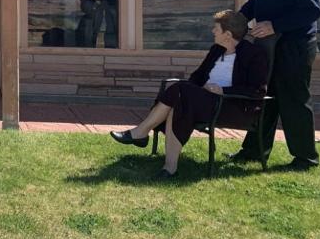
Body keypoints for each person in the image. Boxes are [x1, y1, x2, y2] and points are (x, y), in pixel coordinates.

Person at [110, 10, 268, 178]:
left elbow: (257, 90)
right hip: (205, 102)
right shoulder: (216, 50)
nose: (212, 31)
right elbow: (197, 77)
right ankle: (169, 168)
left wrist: (223, 90)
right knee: (179, 97)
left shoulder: (254, 54)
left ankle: (141, 133)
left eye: (216, 29)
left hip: (232, 106)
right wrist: (191, 89)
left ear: (228, 34)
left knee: (181, 91)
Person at [230, 0, 320, 170]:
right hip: (269, 46)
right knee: (264, 98)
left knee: (294, 100)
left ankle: (306, 158)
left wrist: (275, 25)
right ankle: (254, 151)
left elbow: (312, 10)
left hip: (295, 47)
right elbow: (255, 3)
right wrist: (236, 20)